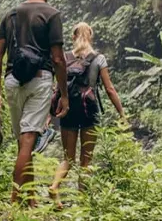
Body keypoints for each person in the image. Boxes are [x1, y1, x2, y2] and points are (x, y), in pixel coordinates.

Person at [0, 0, 69, 207]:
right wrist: (63, 94)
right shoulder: (51, 14)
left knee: (24, 141)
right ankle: (15, 199)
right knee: (29, 138)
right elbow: (57, 58)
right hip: (40, 79)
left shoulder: (11, 14)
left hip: (12, 81)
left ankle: (30, 199)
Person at [49, 22, 125, 208]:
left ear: (73, 37)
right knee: (86, 159)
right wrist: (121, 112)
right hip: (89, 109)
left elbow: (56, 89)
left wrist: (49, 115)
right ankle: (82, 202)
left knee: (68, 158)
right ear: (90, 36)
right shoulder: (98, 59)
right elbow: (109, 89)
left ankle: (54, 187)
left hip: (68, 108)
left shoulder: (64, 58)